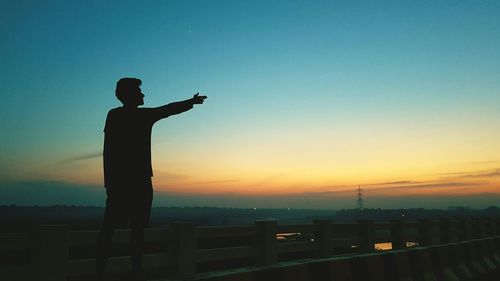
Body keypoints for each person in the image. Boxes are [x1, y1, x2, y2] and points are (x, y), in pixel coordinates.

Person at [96, 78, 207, 281]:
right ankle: (124, 273)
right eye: (139, 91)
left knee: (119, 231)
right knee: (126, 232)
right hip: (134, 184)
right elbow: (167, 109)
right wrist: (191, 102)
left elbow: (168, 109)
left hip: (125, 183)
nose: (143, 95)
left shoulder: (118, 116)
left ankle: (109, 273)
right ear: (128, 94)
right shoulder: (133, 116)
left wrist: (109, 183)